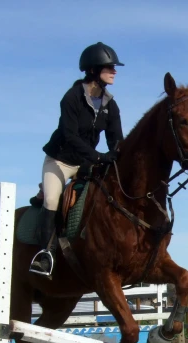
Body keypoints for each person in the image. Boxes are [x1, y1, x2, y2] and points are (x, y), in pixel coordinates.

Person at [29, 42, 126, 277]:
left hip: (85, 162)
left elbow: (116, 140)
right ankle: (45, 255)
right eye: (109, 67)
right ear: (94, 70)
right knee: (52, 199)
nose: (114, 71)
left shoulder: (110, 105)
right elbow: (70, 136)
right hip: (60, 161)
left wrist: (119, 157)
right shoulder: (71, 98)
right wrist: (98, 156)